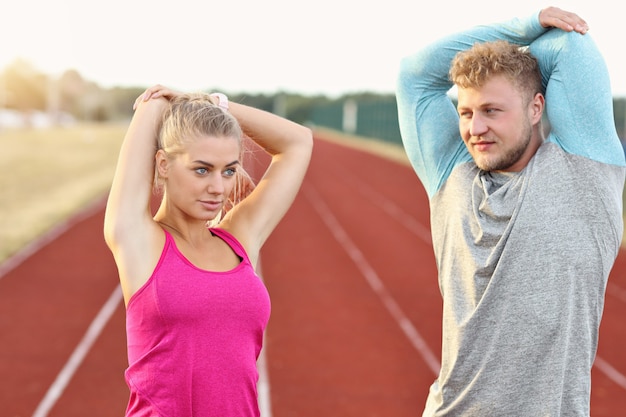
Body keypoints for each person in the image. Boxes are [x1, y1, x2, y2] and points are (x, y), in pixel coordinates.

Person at [396, 6, 625, 416]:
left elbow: (571, 45)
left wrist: (531, 33)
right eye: (466, 112)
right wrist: (520, 27)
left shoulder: (585, 171)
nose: (474, 128)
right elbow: (414, 74)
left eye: (492, 111)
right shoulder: (451, 174)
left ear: (537, 108)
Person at [103, 85, 313, 416]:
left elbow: (298, 142)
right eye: (202, 169)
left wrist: (217, 103)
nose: (218, 188)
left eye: (228, 170)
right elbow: (151, 103)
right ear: (163, 164)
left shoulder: (239, 240)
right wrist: (164, 100)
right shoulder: (139, 240)